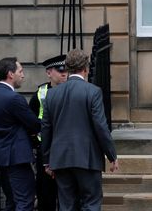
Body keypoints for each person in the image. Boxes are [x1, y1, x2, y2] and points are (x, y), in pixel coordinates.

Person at [40, 49, 119, 211]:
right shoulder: (93, 91)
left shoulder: (51, 95)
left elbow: (46, 129)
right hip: (87, 158)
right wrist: (111, 155)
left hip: (60, 158)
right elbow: (101, 127)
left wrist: (47, 161)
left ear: (67, 68)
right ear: (86, 69)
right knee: (91, 203)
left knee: (66, 205)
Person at [0, 57, 41, 211]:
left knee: (11, 201)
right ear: (11, 74)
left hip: (1, 157)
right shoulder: (14, 98)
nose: (23, 75)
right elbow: (35, 124)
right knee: (25, 200)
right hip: (17, 158)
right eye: (20, 71)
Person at [28, 54, 68, 211]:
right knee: (46, 197)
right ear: (49, 72)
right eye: (60, 70)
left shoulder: (71, 90)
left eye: (66, 70)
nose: (64, 73)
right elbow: (30, 122)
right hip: (46, 152)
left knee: (67, 197)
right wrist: (37, 143)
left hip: (66, 151)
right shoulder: (40, 93)